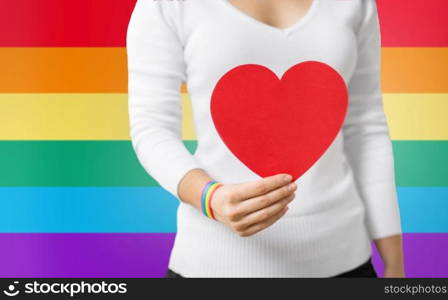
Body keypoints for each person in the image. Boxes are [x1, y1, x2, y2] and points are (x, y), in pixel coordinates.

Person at [126, 0, 405, 278]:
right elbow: (152, 126)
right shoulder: (167, 4)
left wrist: (394, 265)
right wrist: (211, 198)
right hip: (212, 266)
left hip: (346, 261)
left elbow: (366, 128)